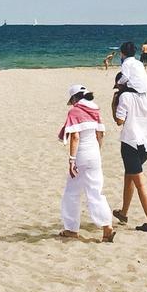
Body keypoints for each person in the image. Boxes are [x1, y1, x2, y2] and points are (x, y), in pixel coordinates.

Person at [57, 84, 115, 241]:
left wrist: (71, 160)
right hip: (94, 154)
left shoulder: (75, 111)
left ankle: (71, 229)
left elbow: (75, 137)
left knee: (72, 192)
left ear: (75, 98)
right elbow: (100, 134)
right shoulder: (95, 110)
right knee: (96, 192)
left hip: (81, 154)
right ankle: (107, 227)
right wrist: (97, 151)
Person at [111, 70, 147, 232]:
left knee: (140, 183)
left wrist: (114, 105)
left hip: (130, 144)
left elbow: (119, 121)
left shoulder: (124, 97)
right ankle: (123, 213)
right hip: (146, 144)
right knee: (129, 176)